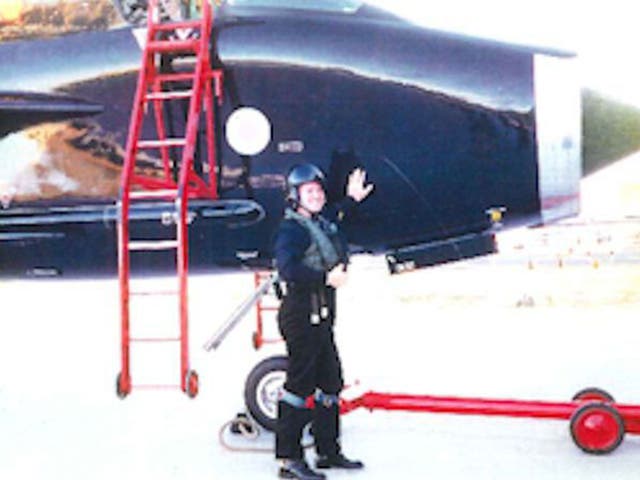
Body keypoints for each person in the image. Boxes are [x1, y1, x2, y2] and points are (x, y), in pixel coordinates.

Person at [273, 163, 374, 480]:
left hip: (321, 313)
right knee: (299, 385)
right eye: (309, 192)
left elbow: (333, 216)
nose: (316, 196)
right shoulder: (292, 230)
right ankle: (289, 460)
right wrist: (325, 276)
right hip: (301, 314)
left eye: (318, 191)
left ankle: (327, 452)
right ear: (296, 197)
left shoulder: (318, 221)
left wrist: (351, 200)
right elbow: (288, 269)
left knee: (330, 381)